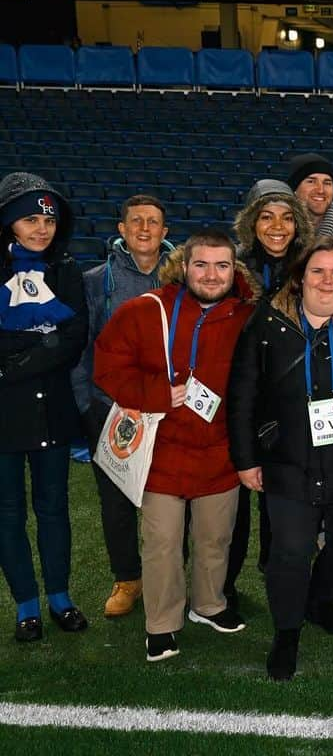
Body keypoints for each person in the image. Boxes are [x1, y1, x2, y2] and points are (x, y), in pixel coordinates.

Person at [228, 237, 333, 681]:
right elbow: (243, 392)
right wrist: (246, 458)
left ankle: (319, 603)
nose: (327, 280)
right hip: (285, 459)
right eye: (317, 271)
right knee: (291, 550)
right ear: (300, 278)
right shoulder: (266, 320)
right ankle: (286, 632)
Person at [94, 229, 257, 662]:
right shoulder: (144, 311)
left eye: (222, 265)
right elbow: (107, 367)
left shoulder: (248, 317)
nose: (211, 274)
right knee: (163, 542)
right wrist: (154, 393)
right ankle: (162, 624)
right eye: (201, 264)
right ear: (184, 266)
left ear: (233, 270)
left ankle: (209, 605)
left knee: (214, 538)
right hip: (163, 451)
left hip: (221, 450)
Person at [73, 193, 172, 619]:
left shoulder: (182, 277)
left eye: (153, 222)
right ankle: (127, 578)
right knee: (115, 502)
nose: (145, 229)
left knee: (167, 499)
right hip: (111, 410)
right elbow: (82, 349)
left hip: (167, 408)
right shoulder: (96, 281)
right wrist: (85, 407)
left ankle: (168, 576)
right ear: (122, 230)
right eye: (136, 221)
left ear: (165, 232)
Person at [0, 172, 89, 643]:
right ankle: (26, 606)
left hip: (52, 409)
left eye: (48, 220)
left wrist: (13, 361)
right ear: (9, 224)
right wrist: (41, 346)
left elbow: (73, 340)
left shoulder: (67, 269)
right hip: (5, 417)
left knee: (53, 508)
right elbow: (52, 340)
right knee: (8, 511)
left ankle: (60, 598)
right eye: (29, 219)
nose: (41, 228)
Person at [227, 179, 315, 606]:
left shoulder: (311, 265)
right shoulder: (234, 267)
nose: (276, 227)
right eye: (266, 217)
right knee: (235, 496)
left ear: (298, 224)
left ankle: (275, 566)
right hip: (242, 392)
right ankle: (223, 581)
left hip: (292, 394)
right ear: (252, 222)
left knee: (281, 491)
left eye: (285, 218)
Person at [286, 153, 333, 238]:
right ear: (294, 189)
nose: (321, 190)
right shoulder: (279, 235)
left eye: (327, 183)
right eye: (311, 181)